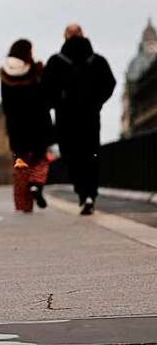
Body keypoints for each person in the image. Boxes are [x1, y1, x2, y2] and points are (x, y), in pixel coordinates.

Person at [43, 23, 116, 215]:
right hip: (90, 117)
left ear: (65, 36)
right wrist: (97, 102)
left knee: (71, 156)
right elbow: (110, 83)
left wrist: (57, 103)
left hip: (66, 119)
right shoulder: (97, 61)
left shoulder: (56, 62)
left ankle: (82, 192)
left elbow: (45, 89)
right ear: (83, 35)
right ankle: (91, 193)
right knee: (90, 155)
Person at [0, 39, 53, 213]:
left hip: (16, 126)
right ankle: (36, 184)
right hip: (38, 123)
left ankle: (22, 205)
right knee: (40, 159)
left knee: (20, 165)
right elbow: (45, 97)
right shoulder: (35, 72)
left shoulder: (5, 74)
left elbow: (6, 105)